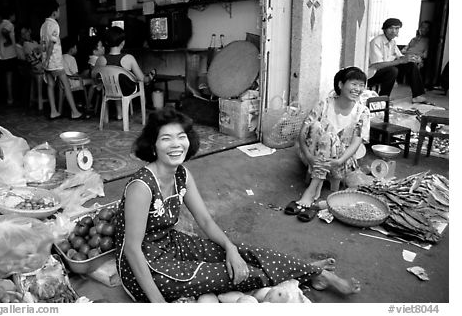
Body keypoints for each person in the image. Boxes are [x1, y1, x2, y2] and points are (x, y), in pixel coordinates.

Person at [113, 107, 361, 302]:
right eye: (166, 138)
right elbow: (132, 250)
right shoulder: (141, 186)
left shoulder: (182, 174)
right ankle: (306, 272)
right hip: (146, 265)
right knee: (234, 274)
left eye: (181, 137)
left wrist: (231, 248)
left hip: (171, 244)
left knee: (245, 254)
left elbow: (206, 221)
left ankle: (316, 274)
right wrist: (159, 305)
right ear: (153, 146)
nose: (176, 144)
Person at [287, 67, 370, 221]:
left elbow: (356, 142)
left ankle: (311, 190)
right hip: (314, 156)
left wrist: (339, 160)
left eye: (361, 85)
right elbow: (303, 132)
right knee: (318, 129)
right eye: (354, 84)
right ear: (340, 84)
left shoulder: (362, 112)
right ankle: (316, 184)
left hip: (342, 161)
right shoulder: (324, 105)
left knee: (329, 137)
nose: (358, 89)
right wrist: (308, 156)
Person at [95, 26, 155, 119]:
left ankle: (119, 114)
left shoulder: (100, 59)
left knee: (115, 83)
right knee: (139, 81)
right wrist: (147, 78)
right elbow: (141, 78)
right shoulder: (129, 58)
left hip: (108, 90)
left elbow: (94, 76)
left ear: (106, 42)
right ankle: (150, 78)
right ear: (123, 43)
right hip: (127, 90)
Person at [39, 0, 84, 119]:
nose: (60, 12)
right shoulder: (54, 25)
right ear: (54, 12)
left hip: (46, 61)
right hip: (54, 61)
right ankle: (75, 112)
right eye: (58, 10)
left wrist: (44, 61)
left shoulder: (43, 25)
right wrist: (48, 59)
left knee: (50, 84)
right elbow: (51, 45)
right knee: (66, 85)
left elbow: (43, 44)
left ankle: (53, 111)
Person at [367, 18, 427, 103]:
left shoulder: (392, 42)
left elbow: (400, 57)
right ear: (384, 29)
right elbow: (376, 65)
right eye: (391, 28)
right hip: (373, 74)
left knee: (411, 64)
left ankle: (417, 95)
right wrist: (399, 61)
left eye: (397, 28)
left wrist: (413, 58)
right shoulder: (376, 42)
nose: (394, 31)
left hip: (387, 70)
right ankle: (382, 99)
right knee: (392, 70)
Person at [0, 8, 17, 105]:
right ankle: (10, 99)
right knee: (10, 78)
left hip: (1, 55)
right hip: (10, 55)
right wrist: (8, 40)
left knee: (5, 78)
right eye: (14, 15)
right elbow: (5, 31)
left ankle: (5, 98)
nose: (15, 17)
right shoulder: (9, 25)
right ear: (11, 16)